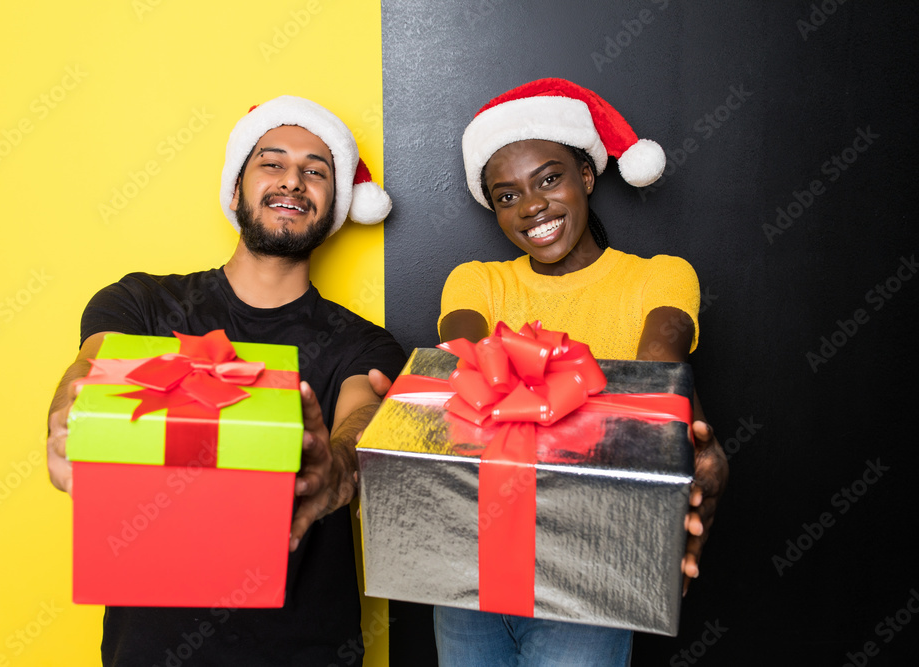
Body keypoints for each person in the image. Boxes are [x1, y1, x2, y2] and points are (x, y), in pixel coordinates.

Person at [46, 95, 407, 666]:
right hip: (149, 652)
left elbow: (361, 418)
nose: (293, 180)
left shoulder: (364, 343)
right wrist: (68, 417)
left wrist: (336, 470)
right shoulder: (143, 303)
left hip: (305, 651)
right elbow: (91, 367)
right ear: (235, 191)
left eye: (316, 171)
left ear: (335, 206)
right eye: (272, 163)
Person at [433, 79, 729, 665]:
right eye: (507, 195)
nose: (532, 207)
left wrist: (688, 446)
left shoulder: (660, 277)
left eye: (549, 179)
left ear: (587, 176)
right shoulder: (475, 282)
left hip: (591, 564)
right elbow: (462, 369)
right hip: (475, 559)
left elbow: (655, 387)